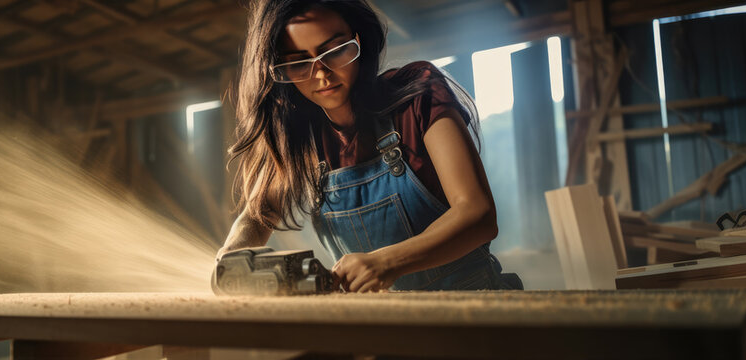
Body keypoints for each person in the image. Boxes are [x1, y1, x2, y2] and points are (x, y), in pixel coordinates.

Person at [217, 0, 523, 292]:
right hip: (379, 322)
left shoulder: (417, 94)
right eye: (300, 63)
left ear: (359, 41)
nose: (321, 74)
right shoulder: (300, 136)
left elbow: (478, 214)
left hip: (473, 311)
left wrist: (385, 263)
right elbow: (257, 215)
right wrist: (229, 261)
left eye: (334, 51)